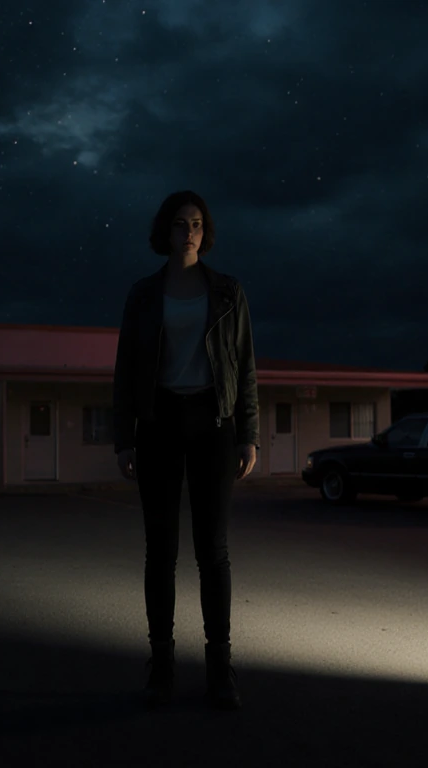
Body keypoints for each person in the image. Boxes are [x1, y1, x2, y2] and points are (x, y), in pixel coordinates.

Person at [112, 190, 259, 711]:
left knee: (212, 551)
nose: (189, 232)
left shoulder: (227, 292)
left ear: (206, 231)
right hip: (158, 425)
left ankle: (220, 669)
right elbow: (126, 369)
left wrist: (249, 433)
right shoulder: (143, 295)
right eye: (180, 224)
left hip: (213, 425)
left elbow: (243, 367)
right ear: (165, 231)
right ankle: (162, 667)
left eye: (197, 224)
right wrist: (124, 437)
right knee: (161, 551)